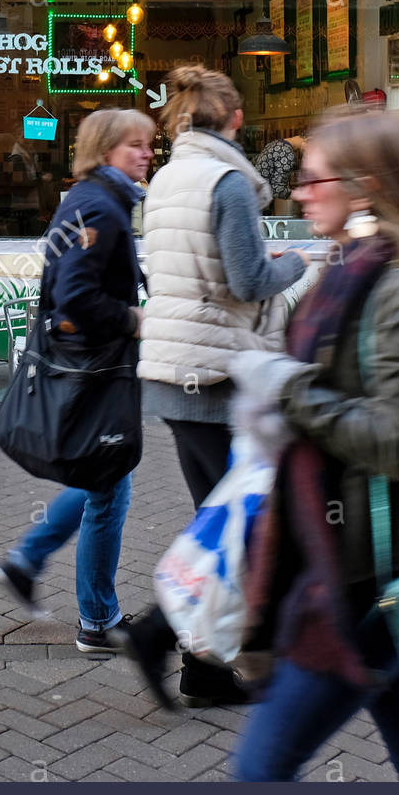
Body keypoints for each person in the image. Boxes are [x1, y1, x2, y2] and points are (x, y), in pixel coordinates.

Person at [232, 107, 399, 782]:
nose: (298, 193)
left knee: (257, 773)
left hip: (367, 574)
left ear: (363, 187)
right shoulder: (346, 273)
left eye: (311, 180)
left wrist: (289, 389)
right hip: (352, 552)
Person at [122, 66, 311, 709]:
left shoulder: (170, 176)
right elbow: (248, 277)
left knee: (228, 519)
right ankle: (166, 638)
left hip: (179, 370)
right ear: (235, 119)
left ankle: (205, 667)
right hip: (221, 374)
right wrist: (300, 261)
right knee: (247, 523)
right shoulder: (227, 182)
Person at [0, 106, 155, 653]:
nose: (147, 153)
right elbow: (75, 297)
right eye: (135, 145)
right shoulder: (101, 209)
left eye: (149, 143)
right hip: (95, 369)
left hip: (86, 365)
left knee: (103, 479)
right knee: (108, 484)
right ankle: (97, 620)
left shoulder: (89, 199)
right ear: (107, 150)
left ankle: (28, 560)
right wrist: (131, 319)